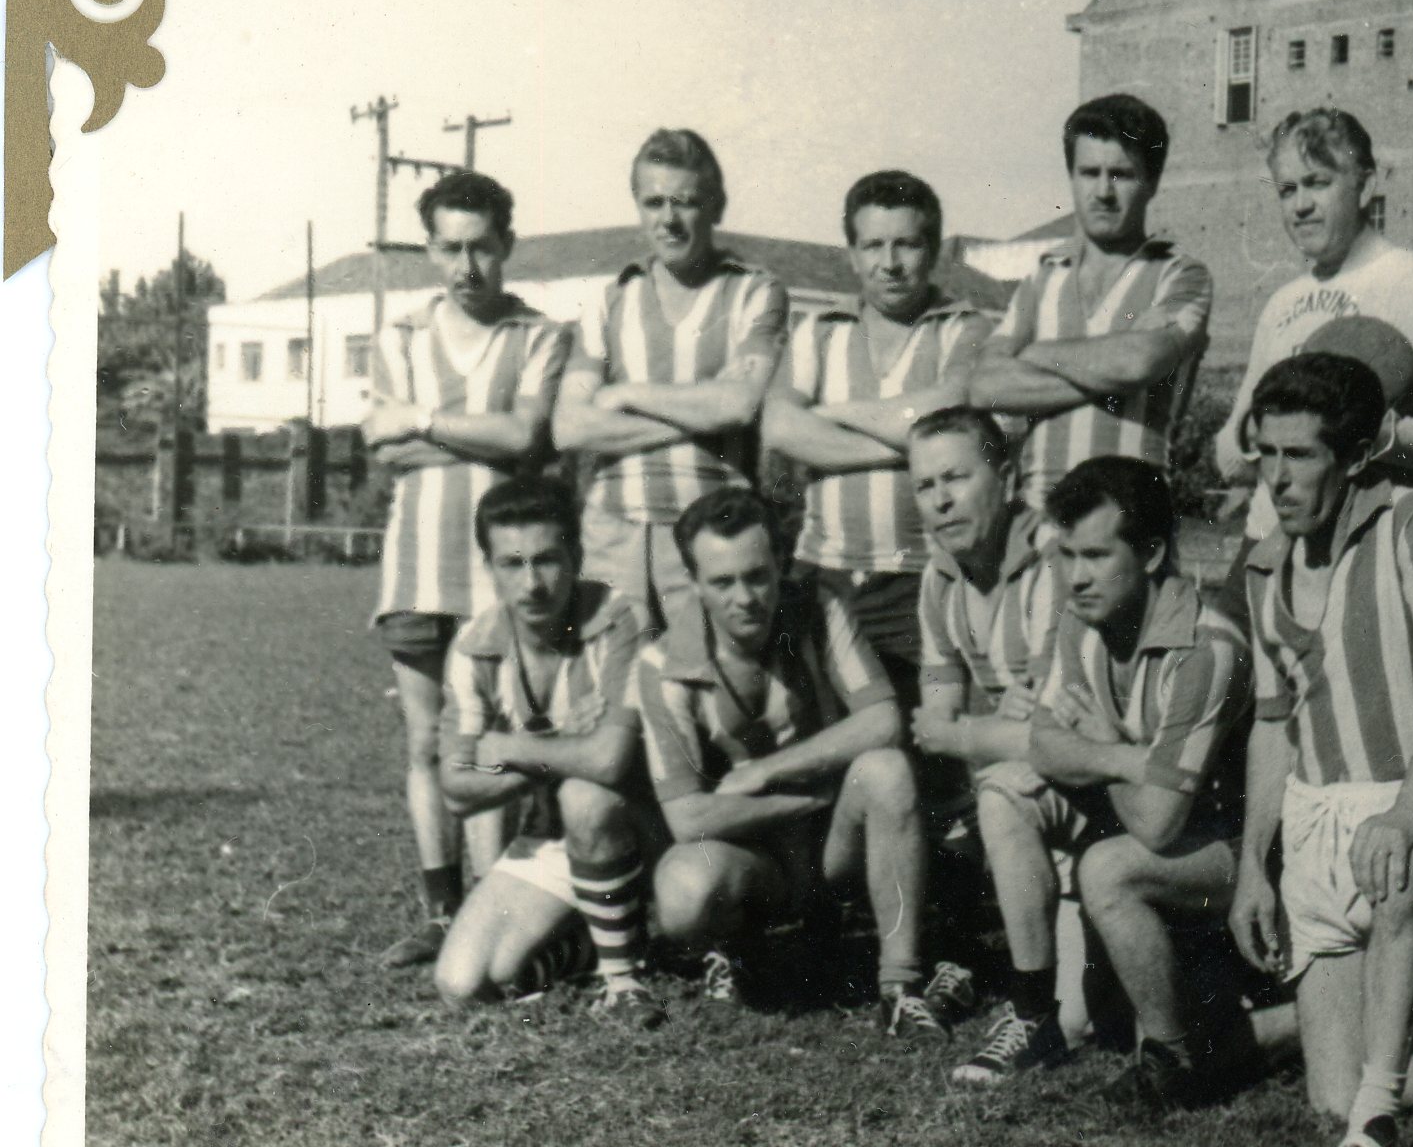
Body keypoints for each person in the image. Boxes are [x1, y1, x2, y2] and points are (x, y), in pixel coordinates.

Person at [1228, 353, 1413, 1147]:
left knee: (1401, 873)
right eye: (1265, 454)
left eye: (1300, 455)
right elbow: (1272, 726)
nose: (1277, 477)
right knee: (1329, 1097)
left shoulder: (1404, 519)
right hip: (1315, 835)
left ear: (1353, 457)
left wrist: (1405, 815)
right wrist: (1252, 867)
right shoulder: (1262, 566)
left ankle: (1379, 1121)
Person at [629, 487, 969, 1036]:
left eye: (757, 576)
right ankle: (740, 947)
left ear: (781, 565)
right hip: (754, 855)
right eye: (722, 582)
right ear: (694, 583)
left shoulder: (819, 606)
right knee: (683, 892)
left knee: (887, 771)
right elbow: (687, 818)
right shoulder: (662, 663)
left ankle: (900, 987)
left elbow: (883, 719)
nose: (745, 598)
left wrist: (767, 771)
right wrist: (811, 796)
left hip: (832, 842)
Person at [965, 456, 1251, 1107]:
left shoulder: (1204, 648)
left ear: (1151, 554)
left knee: (1108, 869)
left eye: (1096, 555)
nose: (1075, 577)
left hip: (1239, 853)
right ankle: (1033, 1008)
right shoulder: (1083, 618)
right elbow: (1043, 744)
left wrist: (1102, 746)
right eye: (1066, 555)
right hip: (1145, 809)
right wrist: (1125, 758)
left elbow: (1158, 824)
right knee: (1004, 791)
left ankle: (1172, 1058)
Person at [363, 170, 572, 968]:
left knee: (492, 739)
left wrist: (421, 418)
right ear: (428, 249)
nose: (465, 266)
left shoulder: (537, 336)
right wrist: (478, 436)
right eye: (449, 248)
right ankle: (440, 911)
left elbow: (524, 437)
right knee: (425, 739)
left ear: (506, 245)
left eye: (480, 247)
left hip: (500, 573)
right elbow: (383, 450)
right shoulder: (401, 336)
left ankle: (493, 905)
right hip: (416, 564)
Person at [431, 477, 666, 1027]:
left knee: (587, 795)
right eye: (512, 564)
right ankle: (601, 937)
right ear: (489, 568)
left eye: (547, 560)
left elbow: (609, 762)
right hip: (552, 834)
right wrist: (558, 743)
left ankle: (622, 979)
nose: (532, 584)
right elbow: (457, 788)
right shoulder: (474, 646)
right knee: (465, 983)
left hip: (644, 827)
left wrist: (508, 748)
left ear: (577, 557)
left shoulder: (619, 618)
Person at [897, 407, 1089, 1081]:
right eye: (925, 486)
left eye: (956, 477)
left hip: (1098, 783)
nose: (941, 500)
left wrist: (968, 732)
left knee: (1083, 1021)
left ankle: (1030, 1010)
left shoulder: (1052, 559)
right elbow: (934, 716)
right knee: (937, 785)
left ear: (1005, 479)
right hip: (1020, 780)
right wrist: (982, 729)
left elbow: (1049, 731)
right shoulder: (938, 576)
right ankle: (969, 957)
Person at [763, 171, 994, 708]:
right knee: (829, 729)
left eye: (906, 244)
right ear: (851, 253)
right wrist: (912, 445)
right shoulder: (819, 331)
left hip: (925, 578)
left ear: (933, 250)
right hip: (824, 577)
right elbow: (779, 428)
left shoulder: (963, 329)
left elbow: (951, 407)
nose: (889, 263)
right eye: (873, 245)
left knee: (923, 733)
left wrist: (829, 414)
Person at [553, 128, 788, 635]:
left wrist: (625, 394)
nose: (669, 220)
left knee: (705, 676)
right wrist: (701, 413)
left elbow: (739, 405)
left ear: (717, 206)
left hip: (717, 535)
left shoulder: (752, 292)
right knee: (614, 675)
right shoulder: (609, 300)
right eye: (654, 202)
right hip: (613, 533)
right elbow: (570, 428)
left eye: (685, 202)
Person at [1216, 108, 1413, 551]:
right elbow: (1231, 456)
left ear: (1366, 185)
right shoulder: (1282, 302)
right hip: (1267, 544)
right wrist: (1252, 440)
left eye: (1318, 183)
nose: (1301, 205)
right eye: (1287, 190)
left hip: (1362, 551)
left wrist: (1381, 436)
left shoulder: (1409, 281)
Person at [970, 94, 1212, 514]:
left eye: (1121, 174)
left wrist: (1031, 354)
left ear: (1152, 183)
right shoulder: (1043, 278)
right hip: (1040, 521)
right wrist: (1114, 374)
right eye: (1089, 173)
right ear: (1072, 177)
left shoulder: (1179, 274)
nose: (1103, 192)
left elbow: (1137, 363)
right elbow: (984, 386)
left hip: (1130, 521)